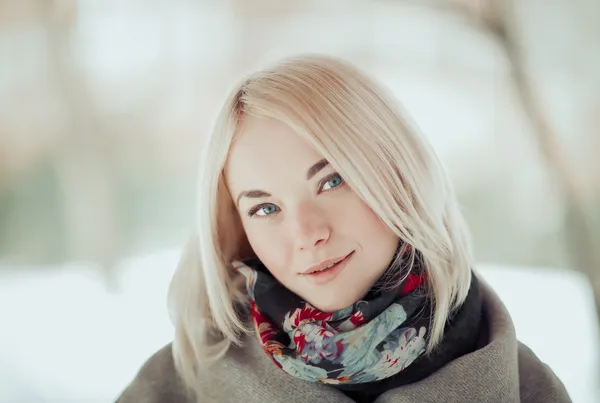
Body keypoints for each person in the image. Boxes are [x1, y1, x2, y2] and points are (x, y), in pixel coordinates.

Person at [115, 55, 571, 403]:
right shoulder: (178, 384)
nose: (306, 233)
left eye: (332, 181)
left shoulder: (528, 388)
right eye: (265, 208)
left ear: (398, 173)